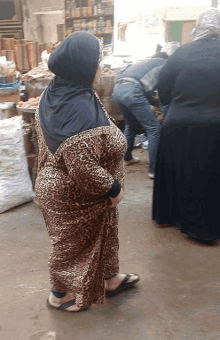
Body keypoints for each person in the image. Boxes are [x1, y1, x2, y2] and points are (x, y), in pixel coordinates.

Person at [34, 32, 140, 312]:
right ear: (83, 66)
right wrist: (112, 188)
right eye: (97, 61)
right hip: (73, 194)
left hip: (76, 189)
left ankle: (110, 279)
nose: (99, 68)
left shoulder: (61, 90)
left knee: (103, 235)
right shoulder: (76, 110)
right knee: (72, 247)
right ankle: (60, 294)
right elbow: (82, 167)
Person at [152, 8, 220, 244]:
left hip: (180, 124)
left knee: (181, 172)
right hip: (216, 125)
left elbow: (163, 88)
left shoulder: (181, 52)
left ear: (198, 26)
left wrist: (176, 104)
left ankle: (173, 216)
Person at [112, 51, 169, 179]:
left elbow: (147, 92)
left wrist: (153, 102)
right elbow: (163, 89)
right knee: (154, 128)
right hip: (132, 90)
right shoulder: (164, 63)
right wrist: (162, 107)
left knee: (130, 125)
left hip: (117, 89)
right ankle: (154, 170)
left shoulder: (144, 63)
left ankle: (127, 157)